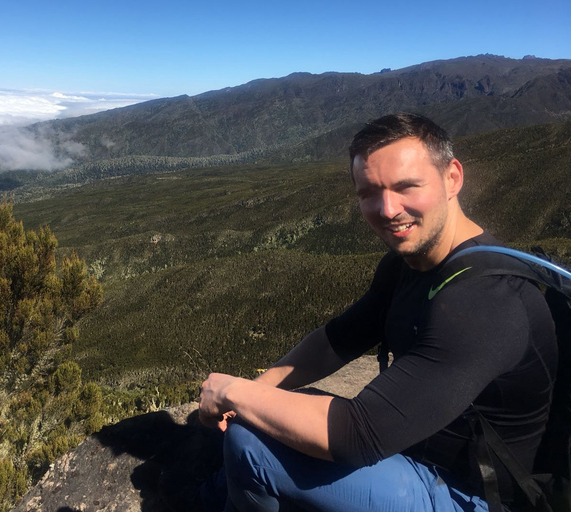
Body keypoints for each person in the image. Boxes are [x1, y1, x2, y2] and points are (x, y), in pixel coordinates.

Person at [197, 113, 558, 511]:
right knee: (265, 414)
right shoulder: (410, 264)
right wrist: (253, 395)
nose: (387, 210)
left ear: (452, 177)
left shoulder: (486, 301)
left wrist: (233, 391)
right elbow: (334, 342)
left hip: (472, 495)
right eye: (369, 192)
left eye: (407, 187)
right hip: (416, 457)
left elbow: (358, 434)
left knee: (253, 443)